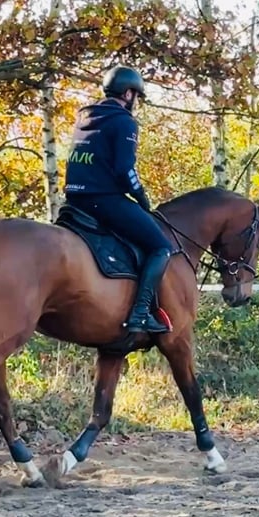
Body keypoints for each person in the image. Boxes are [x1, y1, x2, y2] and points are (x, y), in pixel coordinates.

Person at [62, 65, 173, 334]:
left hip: (73, 201)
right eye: (137, 95)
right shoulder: (124, 121)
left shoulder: (85, 116)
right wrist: (141, 197)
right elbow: (125, 169)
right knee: (161, 247)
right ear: (128, 93)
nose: (136, 102)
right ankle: (140, 314)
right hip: (103, 201)